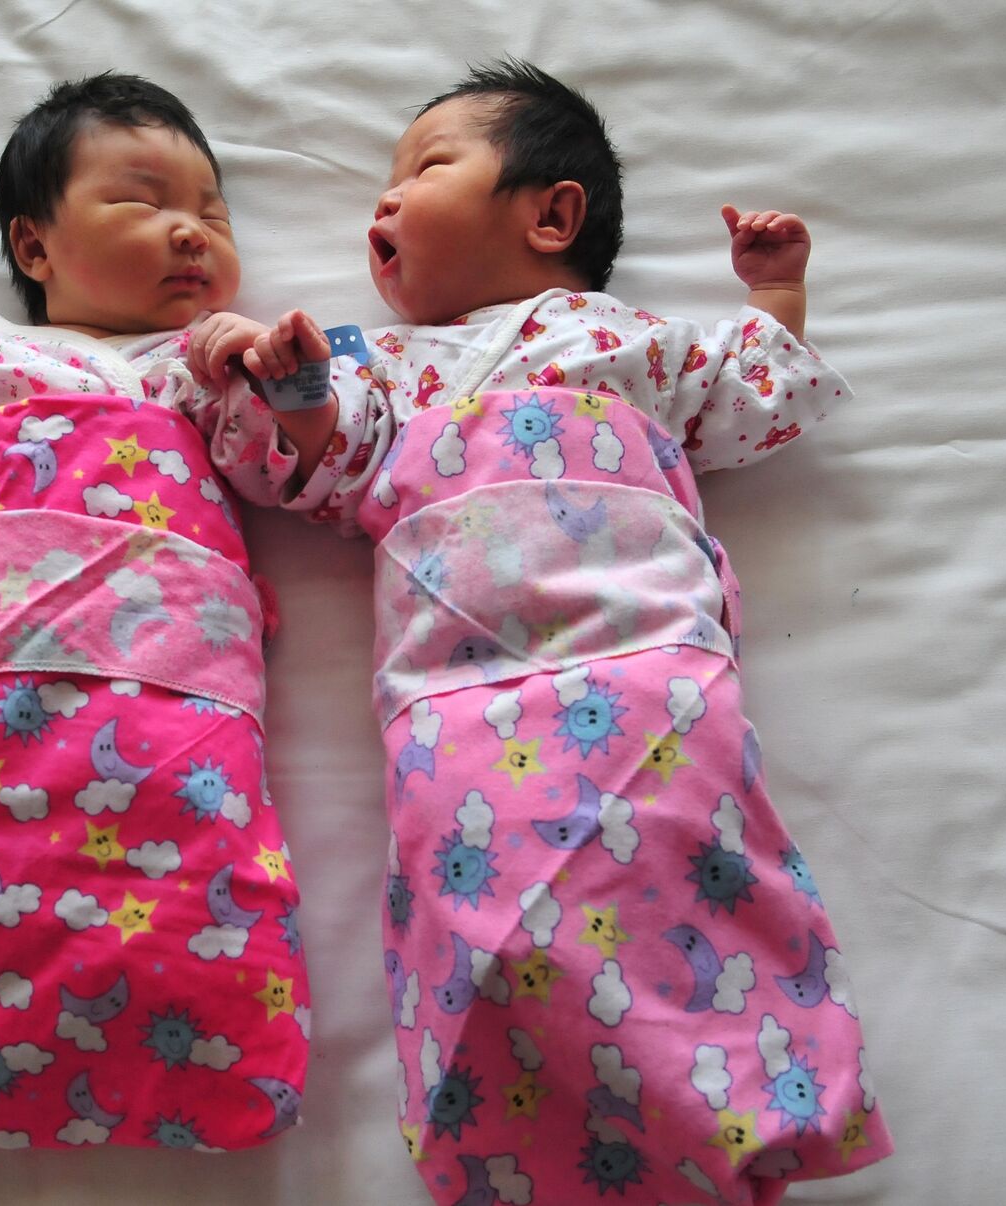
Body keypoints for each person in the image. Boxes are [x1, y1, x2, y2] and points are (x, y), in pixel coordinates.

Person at [196, 58, 895, 1204]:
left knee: (685, 862)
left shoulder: (628, 343)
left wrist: (776, 299)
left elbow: (750, 399)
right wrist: (296, 389)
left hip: (648, 664)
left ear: (550, 215)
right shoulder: (381, 366)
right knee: (485, 904)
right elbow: (320, 464)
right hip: (460, 696)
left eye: (424, 168)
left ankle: (736, 1102)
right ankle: (522, 1132)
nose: (384, 200)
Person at [0, 73, 310, 1153]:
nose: (192, 230)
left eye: (214, 212)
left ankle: (217, 1058)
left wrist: (271, 380)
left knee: (197, 875)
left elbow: (281, 474)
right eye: (142, 200)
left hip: (177, 710)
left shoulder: (199, 376)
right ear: (34, 247)